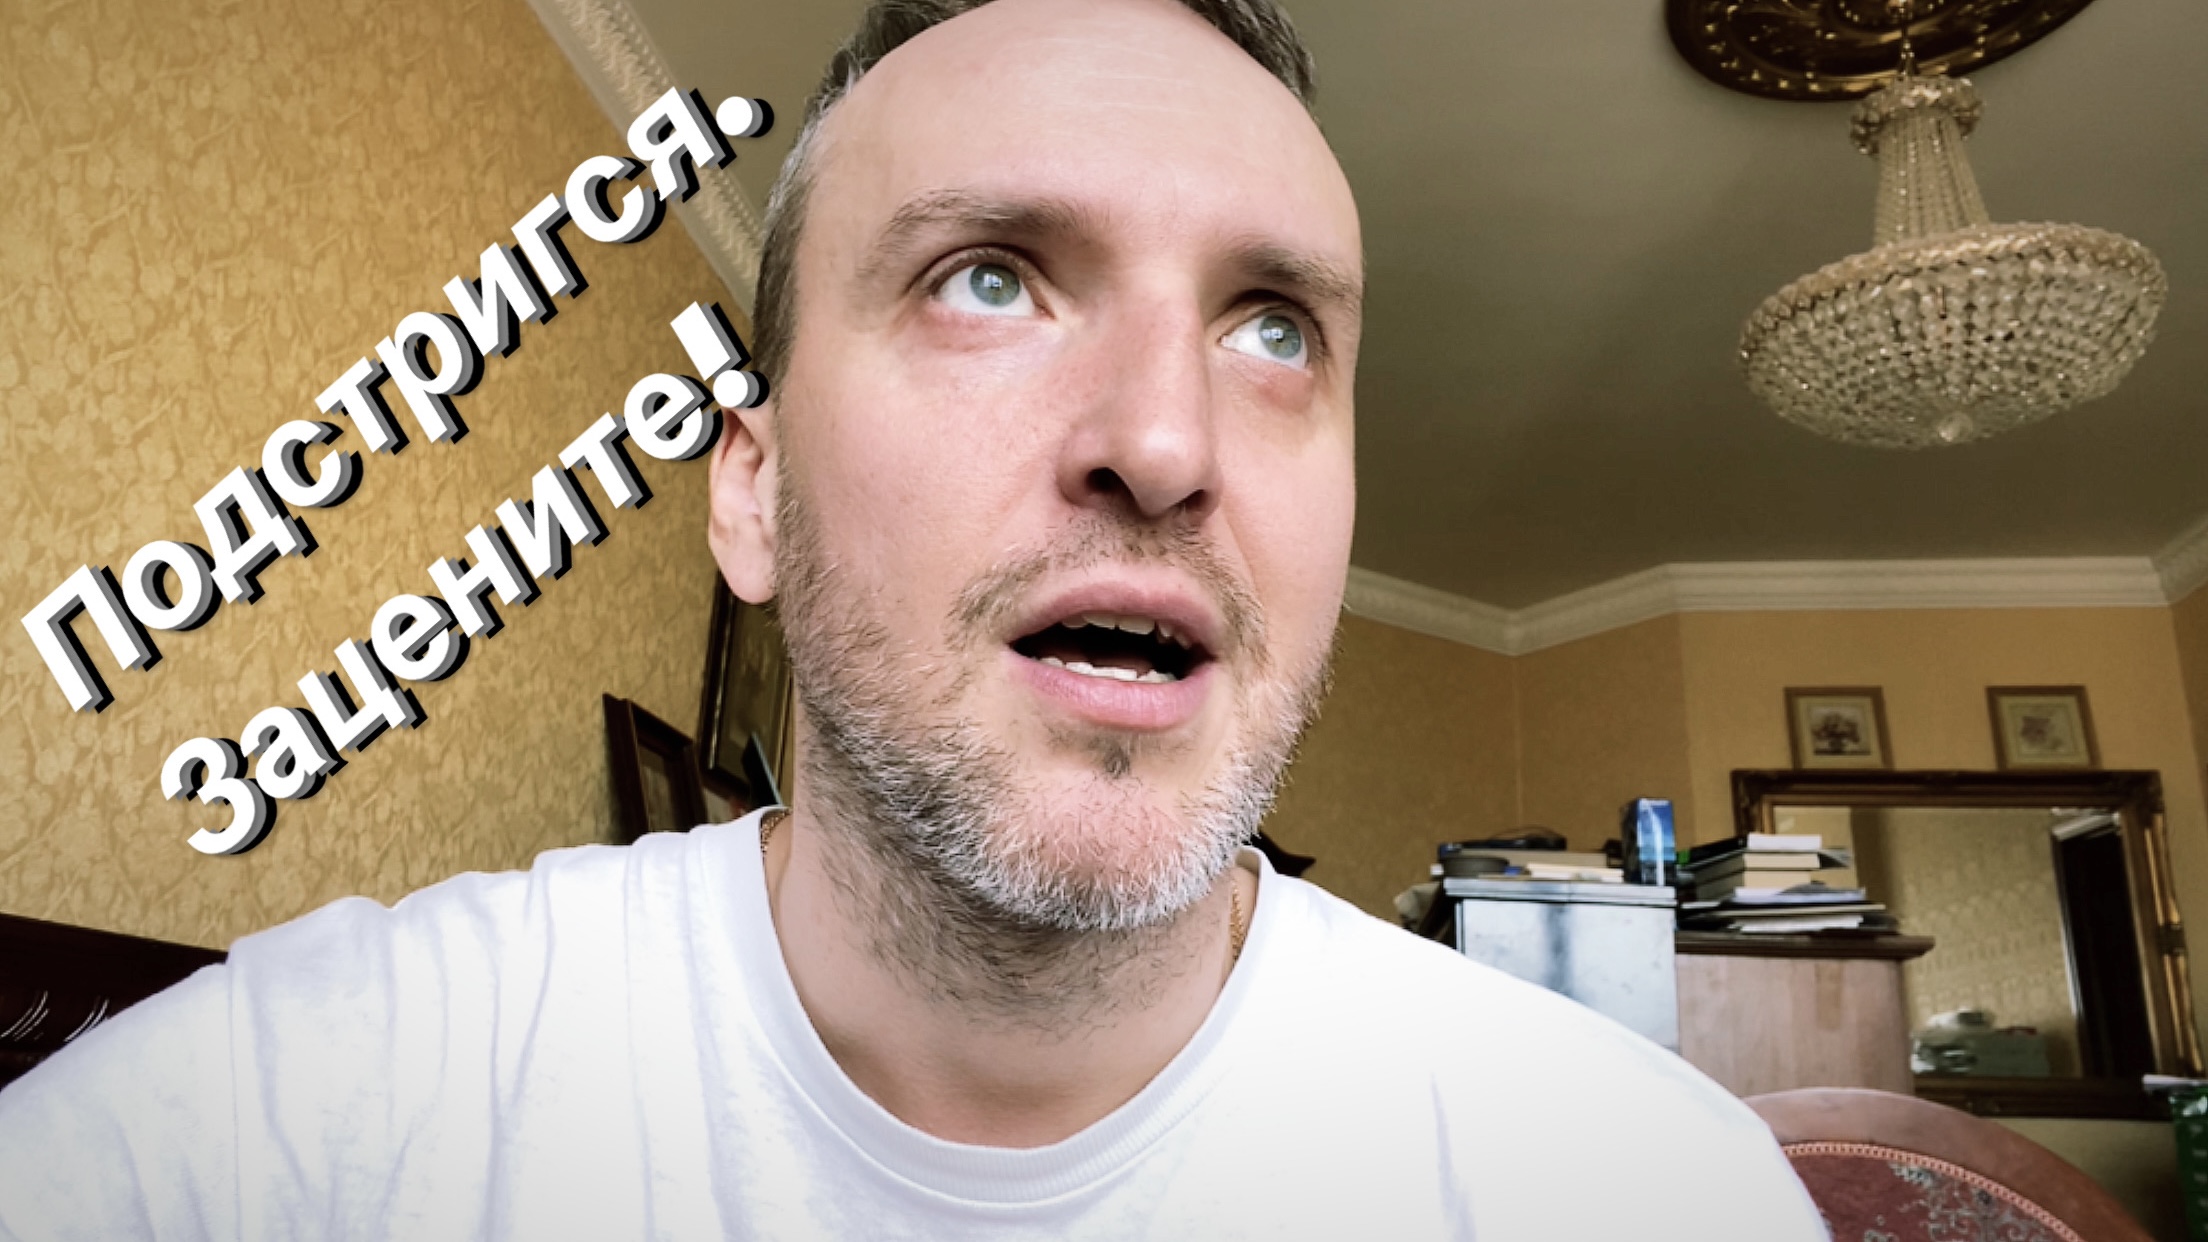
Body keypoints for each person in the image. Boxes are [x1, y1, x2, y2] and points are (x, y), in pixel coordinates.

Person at [0, 0, 1828, 1237]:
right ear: (749, 489)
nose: (1166, 443)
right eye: (989, 280)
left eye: (1273, 325)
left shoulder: (1643, 1188)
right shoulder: (292, 1116)